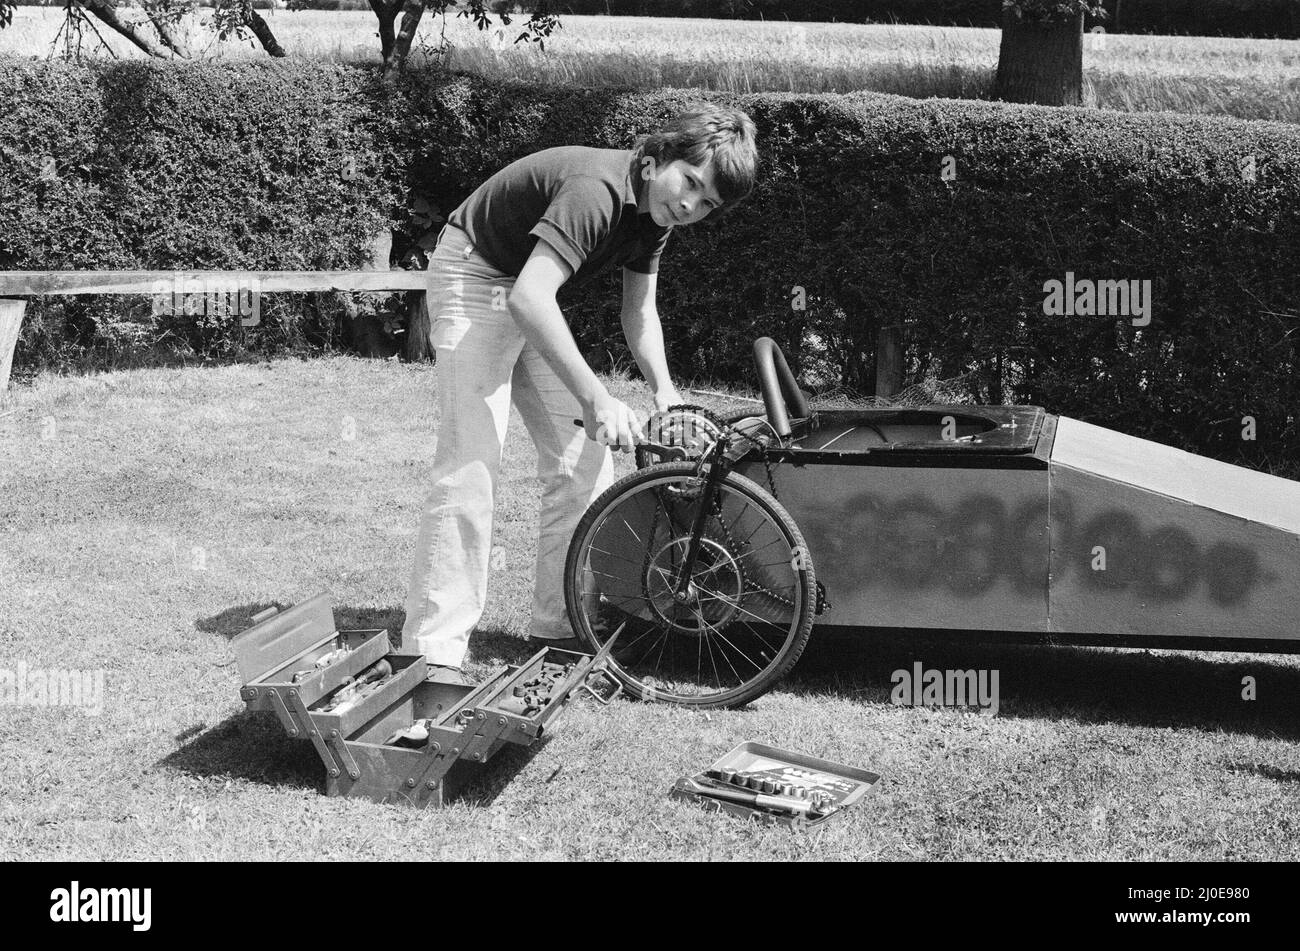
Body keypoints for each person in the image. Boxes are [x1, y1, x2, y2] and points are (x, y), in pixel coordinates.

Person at [401, 105, 759, 683]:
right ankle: (432, 651)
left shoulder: (654, 219)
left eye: (709, 202)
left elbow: (639, 312)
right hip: (474, 274)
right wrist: (596, 398)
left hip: (524, 289)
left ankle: (561, 627)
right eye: (690, 182)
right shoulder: (595, 192)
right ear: (653, 160)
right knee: (472, 461)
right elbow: (529, 299)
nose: (692, 204)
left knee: (585, 461)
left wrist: (663, 390)